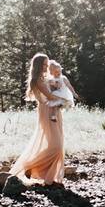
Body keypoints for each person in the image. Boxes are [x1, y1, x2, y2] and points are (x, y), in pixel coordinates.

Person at [9, 53, 67, 186]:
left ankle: (49, 177)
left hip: (55, 110)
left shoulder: (46, 78)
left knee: (57, 143)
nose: (47, 67)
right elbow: (49, 96)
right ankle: (29, 166)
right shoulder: (37, 80)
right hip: (47, 111)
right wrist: (65, 98)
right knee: (56, 145)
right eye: (44, 64)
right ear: (38, 65)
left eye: (47, 64)